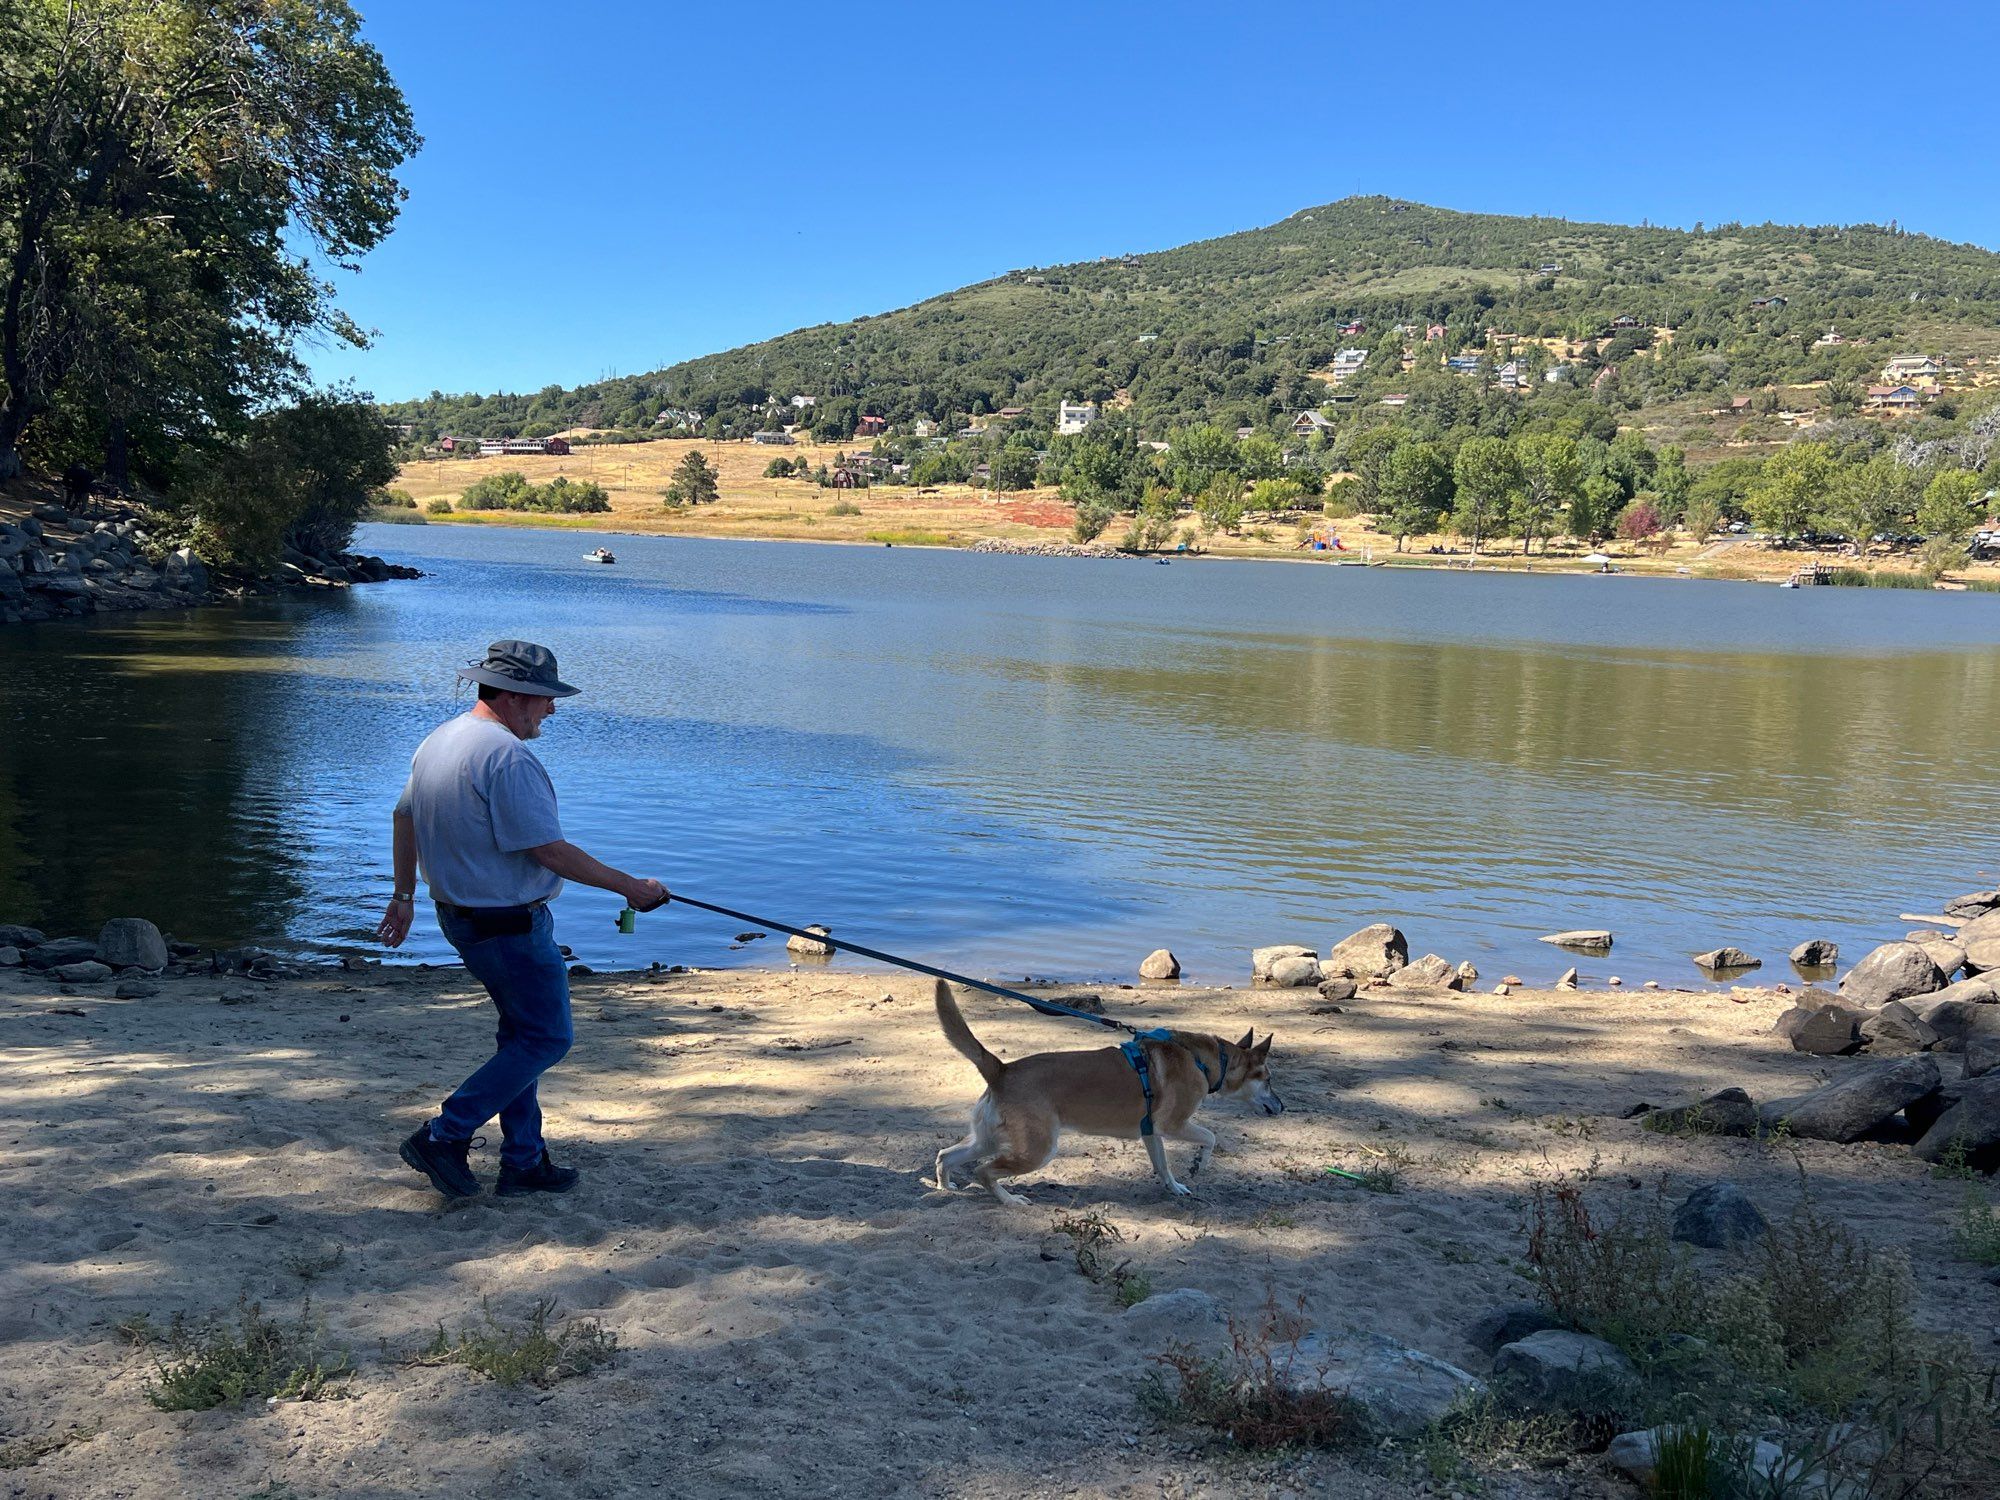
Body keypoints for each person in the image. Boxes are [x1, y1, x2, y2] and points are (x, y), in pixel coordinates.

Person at [379, 640, 669, 1200]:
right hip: (507, 924)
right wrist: (632, 888)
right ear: (513, 696)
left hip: (461, 919)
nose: (551, 711)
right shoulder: (506, 757)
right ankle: (445, 1134)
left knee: (521, 1035)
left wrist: (403, 894)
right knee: (548, 1037)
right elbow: (549, 852)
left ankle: (524, 1160)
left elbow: (402, 814)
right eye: (543, 699)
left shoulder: (441, 739)